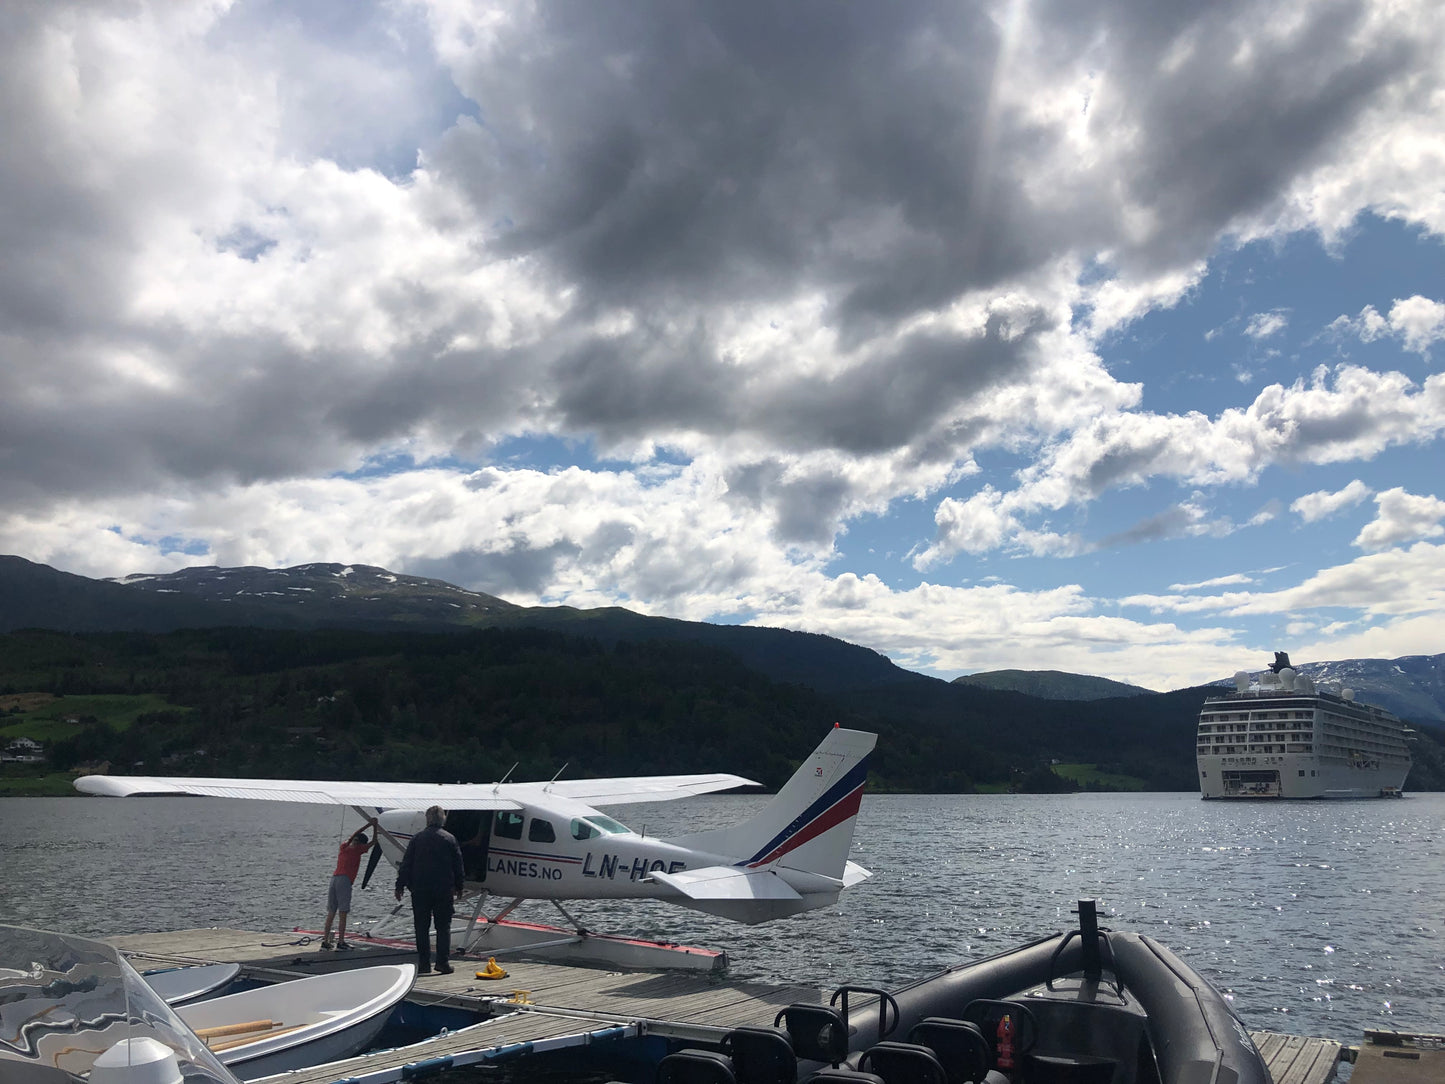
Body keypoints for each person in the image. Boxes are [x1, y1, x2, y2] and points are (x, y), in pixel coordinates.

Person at [394, 805, 465, 974]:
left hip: (420, 889)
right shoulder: (450, 839)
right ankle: (442, 962)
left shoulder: (417, 839)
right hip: (443, 890)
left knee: (421, 927)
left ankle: (424, 964)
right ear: (442, 820)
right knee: (443, 927)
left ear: (427, 819)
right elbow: (458, 865)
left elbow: (406, 864)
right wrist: (460, 885)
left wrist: (399, 885)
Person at [321, 817, 378, 951]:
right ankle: (341, 942)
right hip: (345, 880)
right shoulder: (358, 850)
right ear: (361, 844)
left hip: (334, 878)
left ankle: (325, 942)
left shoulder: (344, 847)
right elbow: (374, 842)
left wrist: (368, 825)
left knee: (331, 912)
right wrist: (375, 826)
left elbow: (355, 834)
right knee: (343, 912)